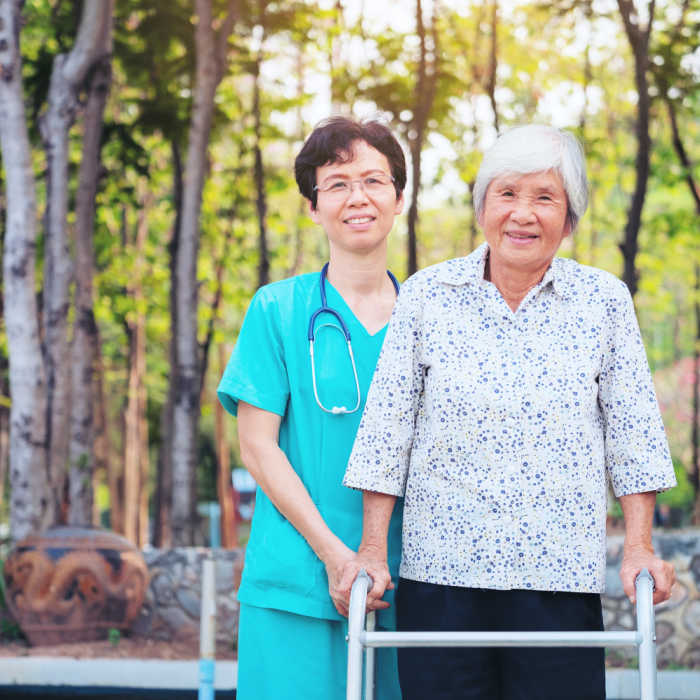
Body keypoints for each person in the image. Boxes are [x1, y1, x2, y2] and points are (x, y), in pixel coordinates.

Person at [341, 124, 677, 700]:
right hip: (443, 574)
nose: (523, 213)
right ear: (482, 208)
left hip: (558, 577)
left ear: (569, 217)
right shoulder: (428, 296)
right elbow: (385, 431)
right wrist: (372, 550)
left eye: (544, 197)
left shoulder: (603, 302)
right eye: (508, 194)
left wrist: (640, 545)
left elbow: (634, 433)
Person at [217, 116, 405, 700]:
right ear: (312, 206)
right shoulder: (277, 309)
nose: (358, 197)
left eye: (374, 180)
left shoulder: (430, 315)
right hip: (296, 578)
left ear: (399, 197)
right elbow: (257, 444)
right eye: (338, 183)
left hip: (409, 580)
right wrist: (333, 555)